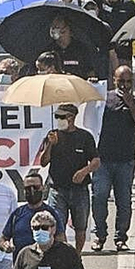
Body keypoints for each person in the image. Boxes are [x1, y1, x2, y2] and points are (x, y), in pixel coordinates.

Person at [91, 65, 135, 253]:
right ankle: (99, 235)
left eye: (128, 82)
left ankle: (121, 237)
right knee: (99, 197)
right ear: (114, 80)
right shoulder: (103, 99)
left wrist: (131, 104)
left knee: (124, 201)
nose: (124, 85)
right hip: (103, 160)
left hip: (126, 160)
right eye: (121, 81)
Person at [35, 104, 99, 253]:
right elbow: (43, 162)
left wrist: (84, 171)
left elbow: (96, 161)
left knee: (80, 227)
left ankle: (77, 255)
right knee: (57, 225)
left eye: (62, 117)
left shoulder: (84, 136)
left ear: (71, 118)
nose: (59, 120)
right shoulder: (52, 135)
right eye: (57, 117)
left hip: (79, 190)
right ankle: (62, 254)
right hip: (58, 190)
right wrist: (50, 145)